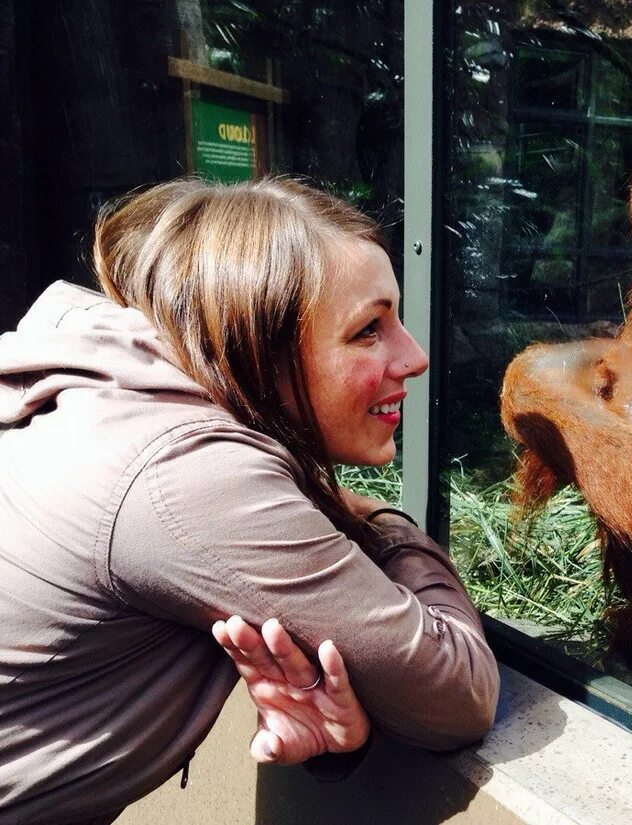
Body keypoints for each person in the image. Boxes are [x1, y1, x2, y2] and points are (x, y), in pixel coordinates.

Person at [0, 178, 500, 825]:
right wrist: (388, 525)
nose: (415, 355)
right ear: (258, 346)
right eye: (368, 330)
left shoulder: (107, 392)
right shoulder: (189, 478)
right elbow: (456, 693)